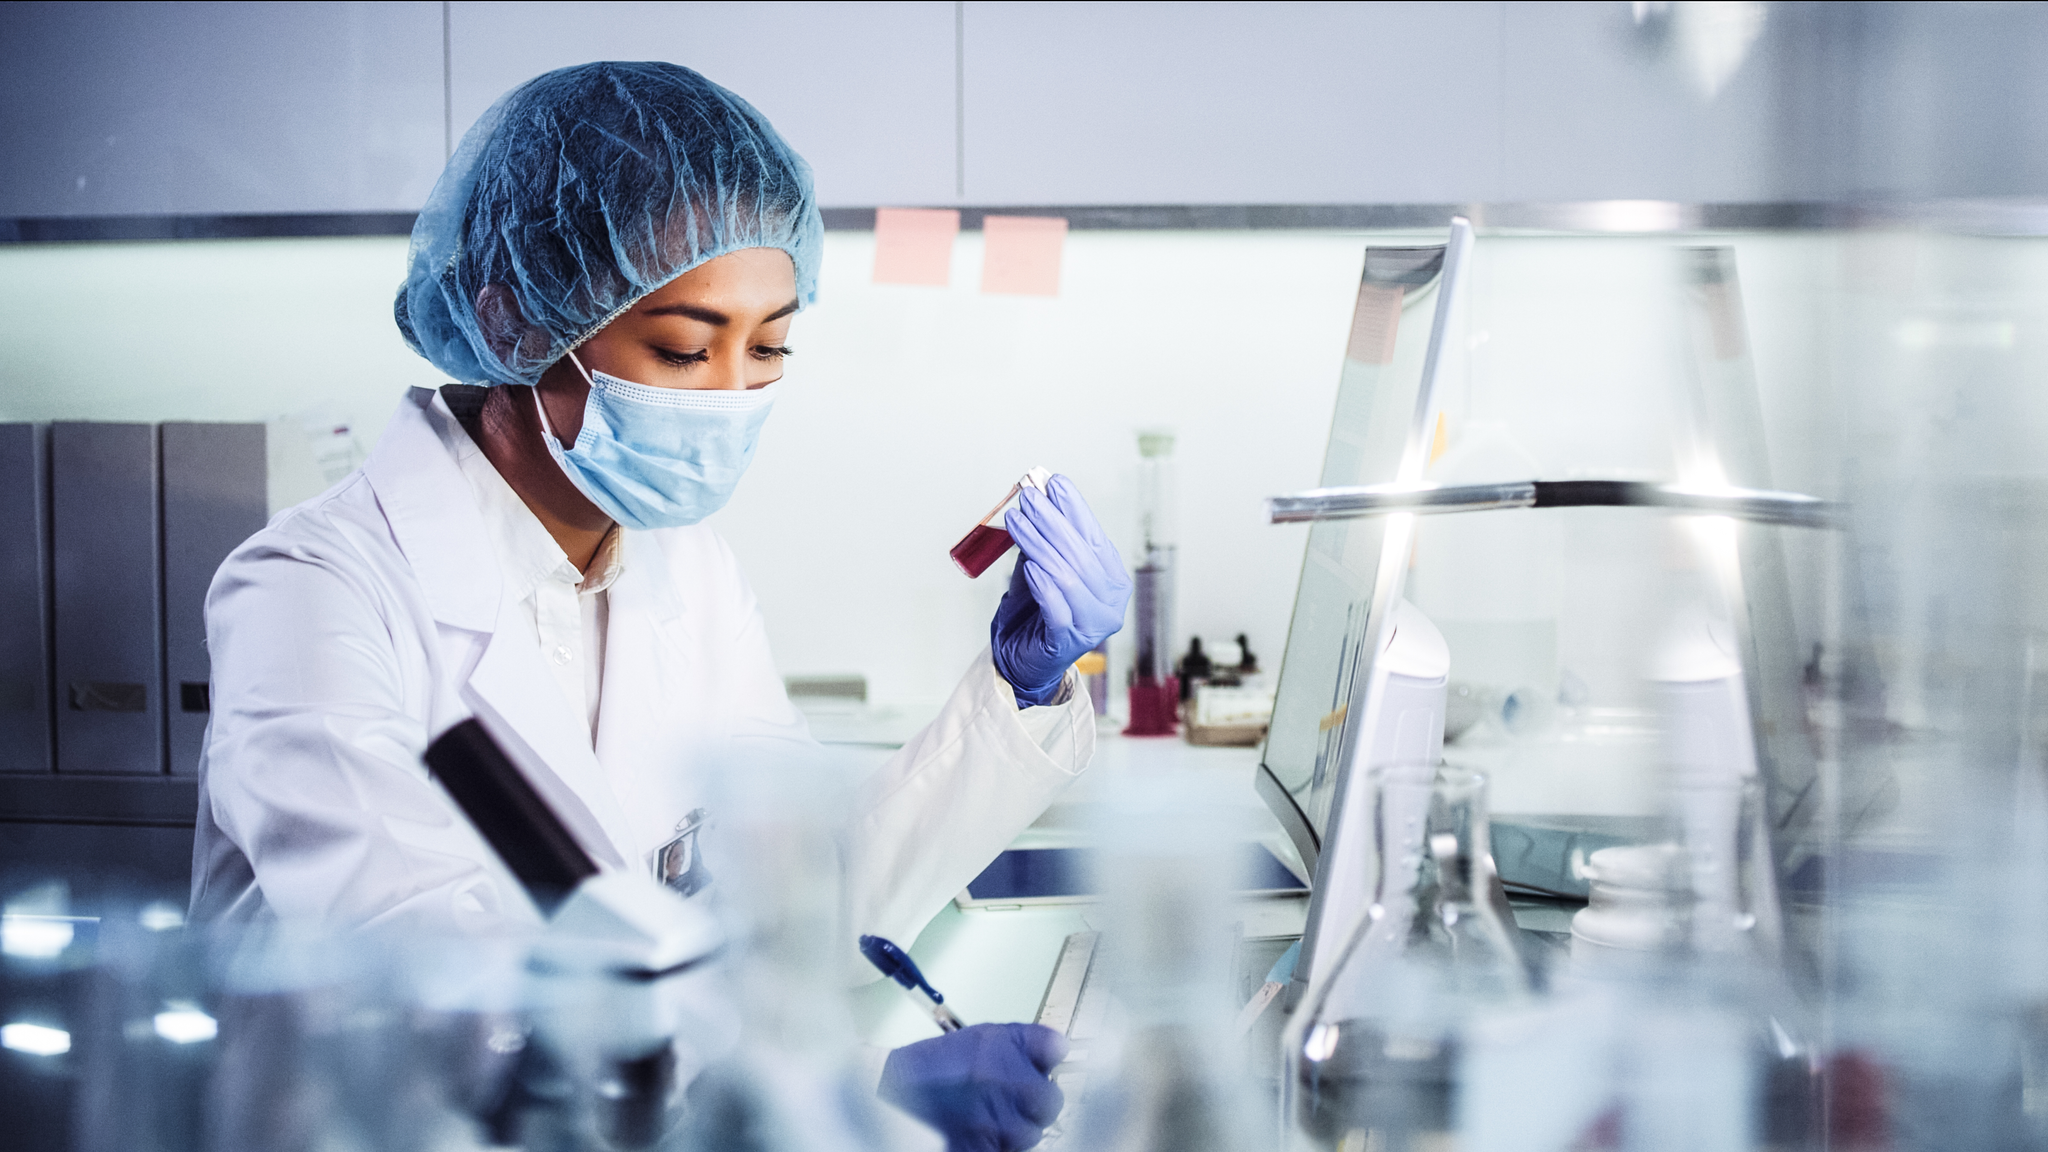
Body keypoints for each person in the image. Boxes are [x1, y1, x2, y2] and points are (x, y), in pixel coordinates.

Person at [188, 61, 1128, 1150]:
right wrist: (857, 1085)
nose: (734, 395)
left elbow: (797, 912)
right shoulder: (312, 593)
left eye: (770, 345)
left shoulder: (686, 571)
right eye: (685, 349)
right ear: (510, 324)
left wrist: (1021, 688)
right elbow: (440, 989)